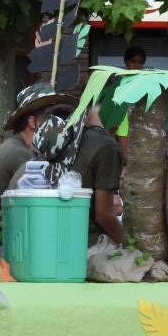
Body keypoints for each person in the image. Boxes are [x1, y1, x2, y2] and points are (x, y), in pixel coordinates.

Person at [75, 101, 125, 247]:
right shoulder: (107, 146)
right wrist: (128, 245)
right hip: (86, 242)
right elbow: (104, 216)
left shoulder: (69, 136)